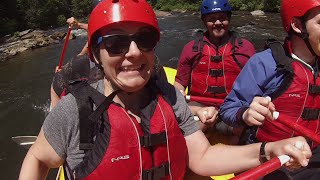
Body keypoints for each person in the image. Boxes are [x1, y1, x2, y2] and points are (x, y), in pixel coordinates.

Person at [19, 0, 311, 179]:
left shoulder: (169, 97)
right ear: (95, 55)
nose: (133, 52)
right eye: (116, 43)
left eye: (144, 39)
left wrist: (269, 149)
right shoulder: (75, 110)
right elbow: (39, 158)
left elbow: (204, 158)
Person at [220, 0, 320, 179]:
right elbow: (228, 108)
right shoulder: (265, 63)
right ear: (298, 26)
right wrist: (246, 114)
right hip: (274, 158)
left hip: (313, 156)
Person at [174, 0, 256, 143]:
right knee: (193, 131)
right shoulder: (191, 48)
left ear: (228, 19)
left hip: (232, 105)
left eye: (222, 18)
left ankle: (232, 161)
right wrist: (179, 99)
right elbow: (180, 84)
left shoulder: (245, 48)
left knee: (238, 133)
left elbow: (256, 84)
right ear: (204, 21)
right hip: (199, 105)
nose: (218, 23)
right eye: (212, 19)